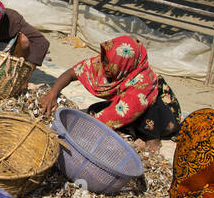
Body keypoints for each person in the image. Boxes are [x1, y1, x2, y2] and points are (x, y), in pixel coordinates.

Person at [40, 34, 182, 144]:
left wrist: (77, 130)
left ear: (124, 64)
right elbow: (73, 72)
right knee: (94, 109)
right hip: (132, 105)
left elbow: (117, 113)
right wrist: (52, 93)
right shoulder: (108, 62)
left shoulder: (143, 82)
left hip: (162, 114)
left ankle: (152, 138)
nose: (105, 68)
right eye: (105, 62)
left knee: (147, 110)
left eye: (110, 65)